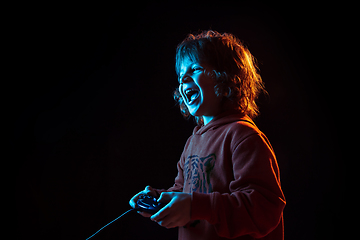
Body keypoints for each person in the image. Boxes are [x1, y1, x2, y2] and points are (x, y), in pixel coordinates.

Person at [129, 30, 286, 240]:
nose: (184, 78)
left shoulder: (244, 136)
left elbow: (263, 209)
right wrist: (159, 199)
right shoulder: (193, 141)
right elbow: (183, 191)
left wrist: (196, 206)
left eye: (194, 69)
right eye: (180, 75)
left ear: (226, 79)